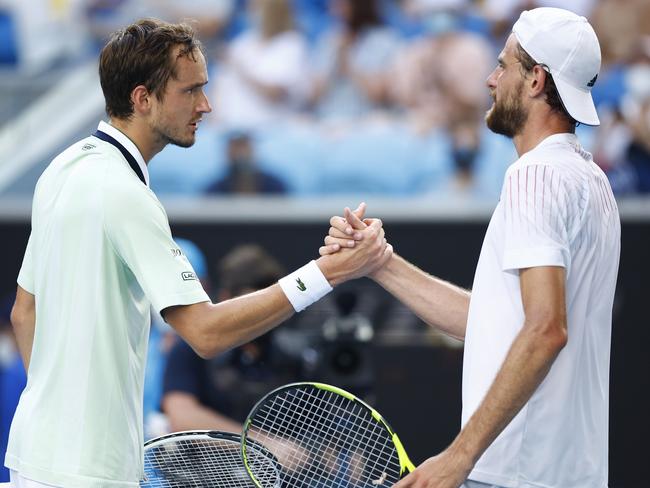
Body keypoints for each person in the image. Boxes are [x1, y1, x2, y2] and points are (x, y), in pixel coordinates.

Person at [6, 19, 390, 488]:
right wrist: (325, 273)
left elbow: (26, 312)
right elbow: (205, 335)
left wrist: (60, 417)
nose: (206, 106)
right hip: (88, 472)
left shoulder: (62, 169)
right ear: (142, 99)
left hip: (34, 456)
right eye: (191, 92)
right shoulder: (123, 192)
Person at [322, 8, 619, 488]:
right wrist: (381, 263)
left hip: (516, 472)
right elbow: (494, 324)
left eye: (504, 66)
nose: (490, 79)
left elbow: (546, 329)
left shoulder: (534, 176)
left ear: (537, 80)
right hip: (567, 472)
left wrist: (459, 456)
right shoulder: (591, 181)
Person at [162, 244, 297, 433]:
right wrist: (260, 444)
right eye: (253, 304)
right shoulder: (187, 349)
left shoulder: (294, 356)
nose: (262, 314)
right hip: (204, 462)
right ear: (226, 298)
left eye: (271, 305)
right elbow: (181, 416)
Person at [205, 131, 288, 195]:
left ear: (253, 150)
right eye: (235, 147)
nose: (240, 153)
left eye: (244, 146)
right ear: (227, 152)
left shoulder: (275, 185)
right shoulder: (215, 189)